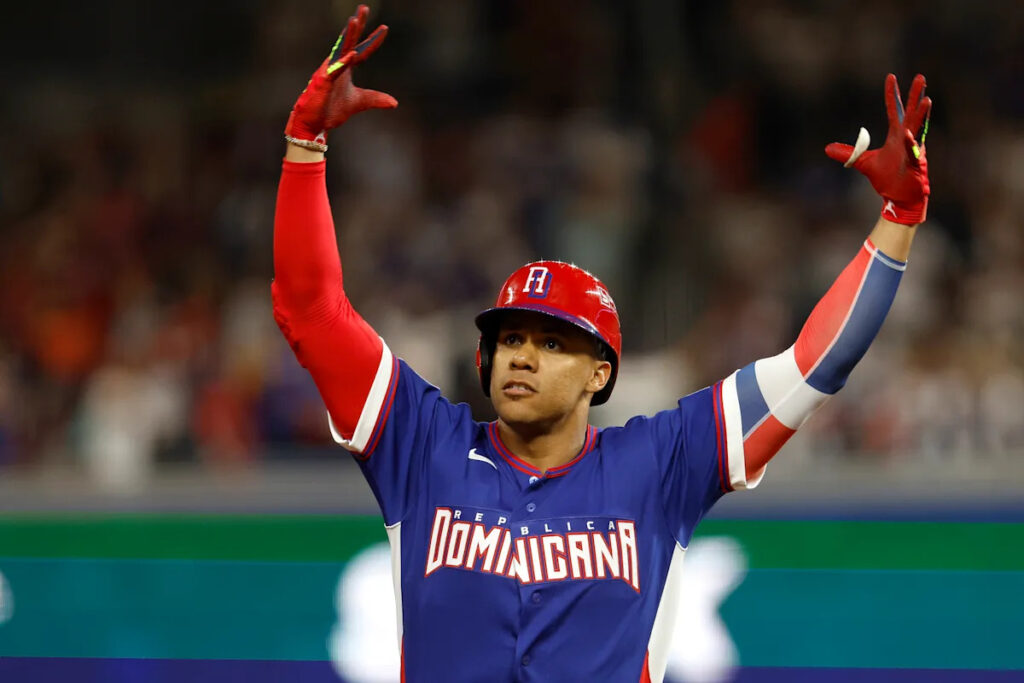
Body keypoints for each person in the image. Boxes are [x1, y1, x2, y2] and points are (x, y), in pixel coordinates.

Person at [272, 7, 931, 682]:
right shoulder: (421, 445)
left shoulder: (662, 462)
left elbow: (815, 364)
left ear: (599, 373)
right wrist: (304, 145)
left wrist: (899, 219)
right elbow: (310, 312)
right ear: (484, 359)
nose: (523, 355)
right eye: (511, 337)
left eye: (554, 343)